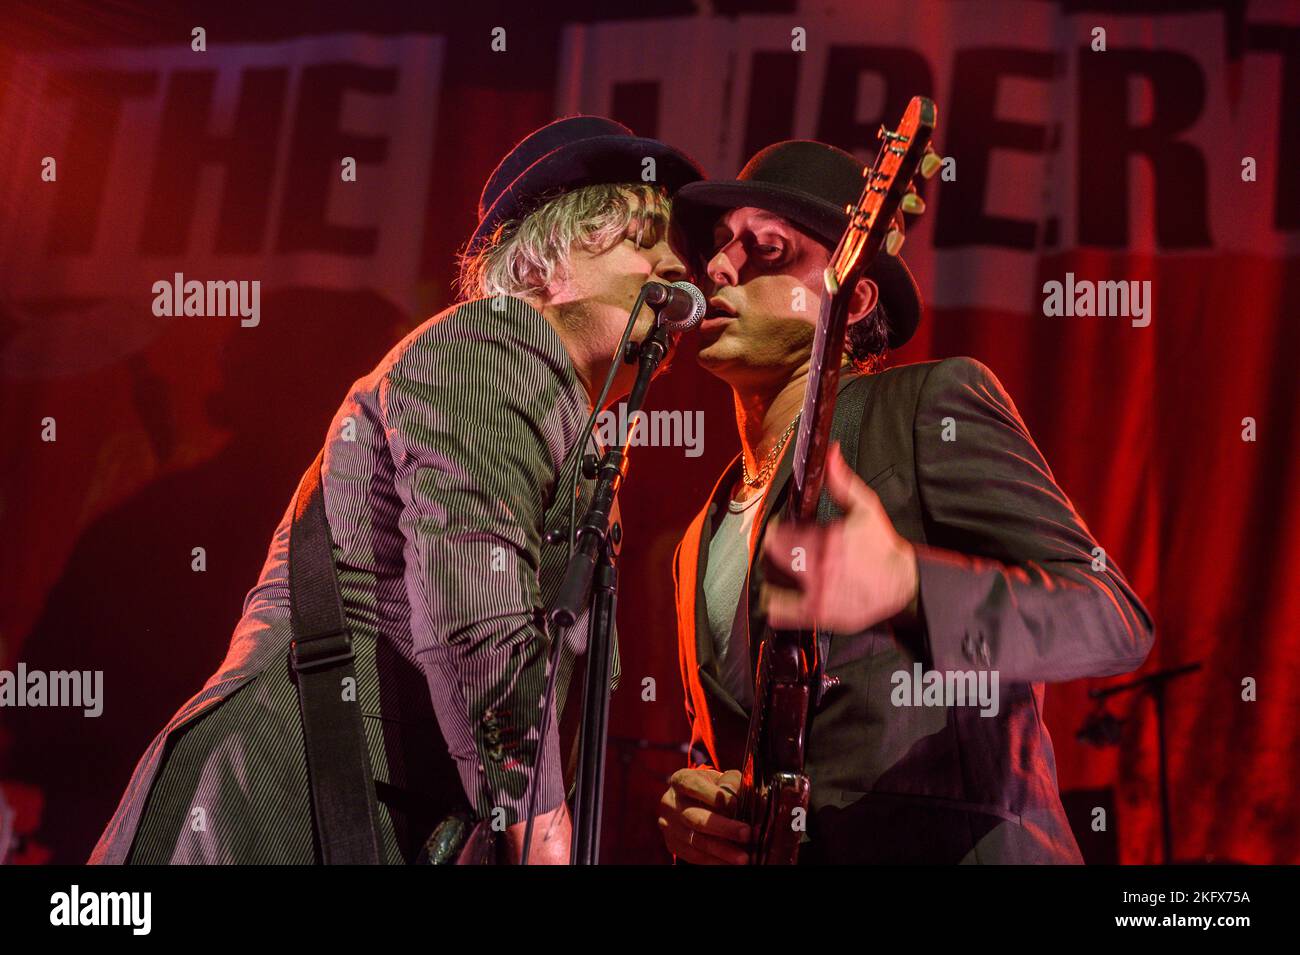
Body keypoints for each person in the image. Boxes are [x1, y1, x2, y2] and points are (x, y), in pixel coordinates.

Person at [90, 116, 701, 864]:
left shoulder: (576, 426)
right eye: (644, 238)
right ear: (548, 259)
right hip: (277, 801)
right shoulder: (498, 342)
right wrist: (539, 826)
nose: (676, 265)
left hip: (354, 800)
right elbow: (479, 611)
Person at [657, 140, 1154, 864]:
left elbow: (1112, 617)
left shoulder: (927, 406)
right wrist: (700, 810)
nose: (720, 267)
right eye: (719, 247)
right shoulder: (695, 540)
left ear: (851, 296)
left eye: (763, 247)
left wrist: (910, 585)